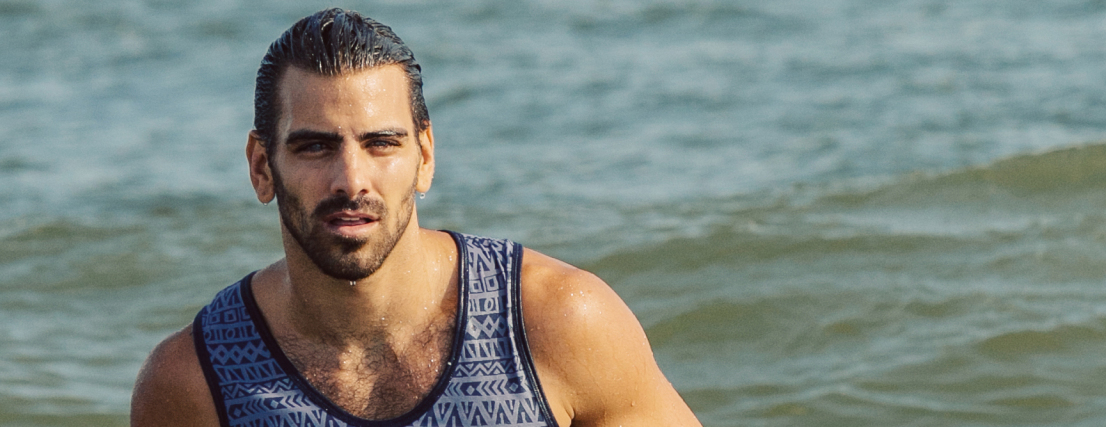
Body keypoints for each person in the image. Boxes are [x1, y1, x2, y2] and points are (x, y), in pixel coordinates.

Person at [131, 8, 701, 427]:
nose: (351, 180)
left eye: (381, 143)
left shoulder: (554, 324)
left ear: (424, 157)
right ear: (261, 166)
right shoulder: (193, 383)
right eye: (314, 147)